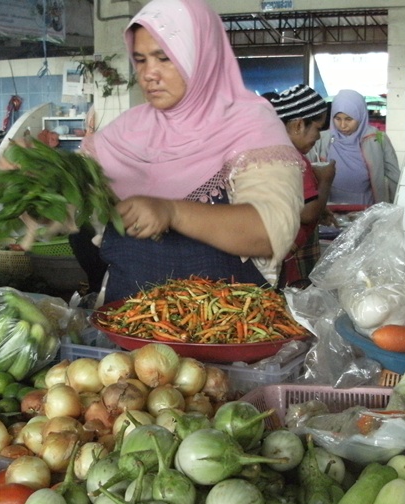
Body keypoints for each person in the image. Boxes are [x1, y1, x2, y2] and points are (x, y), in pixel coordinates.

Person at [78, 0, 304, 303]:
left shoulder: (250, 125)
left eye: (164, 58)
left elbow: (268, 233)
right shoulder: (124, 132)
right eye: (141, 59)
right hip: (130, 326)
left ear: (202, 57)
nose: (149, 74)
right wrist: (38, 185)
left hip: (225, 328)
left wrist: (172, 212)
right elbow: (72, 206)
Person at [264, 85, 336, 286]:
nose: (319, 137)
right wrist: (326, 180)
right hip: (289, 257)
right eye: (317, 128)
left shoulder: (270, 152)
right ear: (297, 125)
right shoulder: (291, 158)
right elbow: (308, 212)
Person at [308, 89, 401, 206]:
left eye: (348, 119)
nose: (342, 125)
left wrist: (396, 205)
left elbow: (394, 176)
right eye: (337, 119)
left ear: (360, 116)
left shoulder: (376, 138)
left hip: (368, 208)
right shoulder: (321, 140)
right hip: (330, 208)